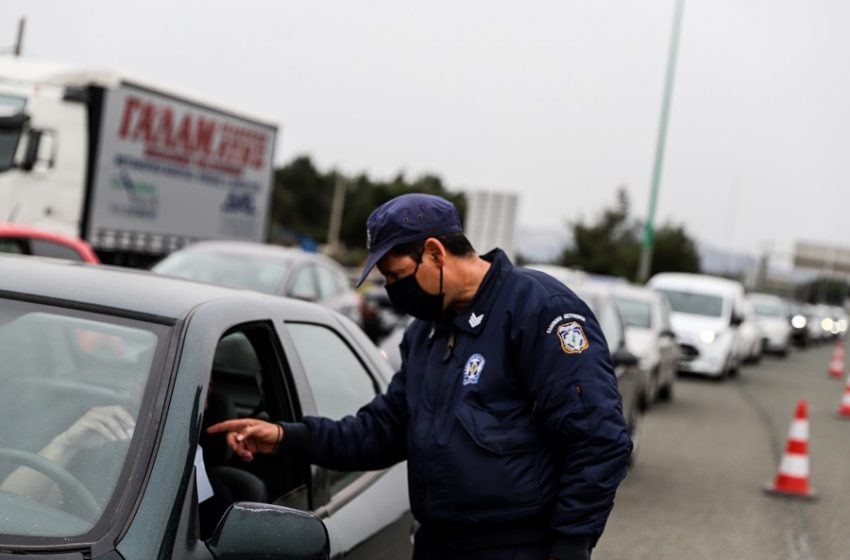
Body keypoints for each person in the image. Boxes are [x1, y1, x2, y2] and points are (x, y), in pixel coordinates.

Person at [208, 193, 632, 560]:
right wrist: (285, 437)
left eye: (396, 276)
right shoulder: (425, 333)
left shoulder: (538, 310)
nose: (393, 289)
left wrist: (572, 543)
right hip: (437, 543)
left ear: (434, 253)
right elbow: (381, 431)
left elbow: (599, 438)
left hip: (516, 545)